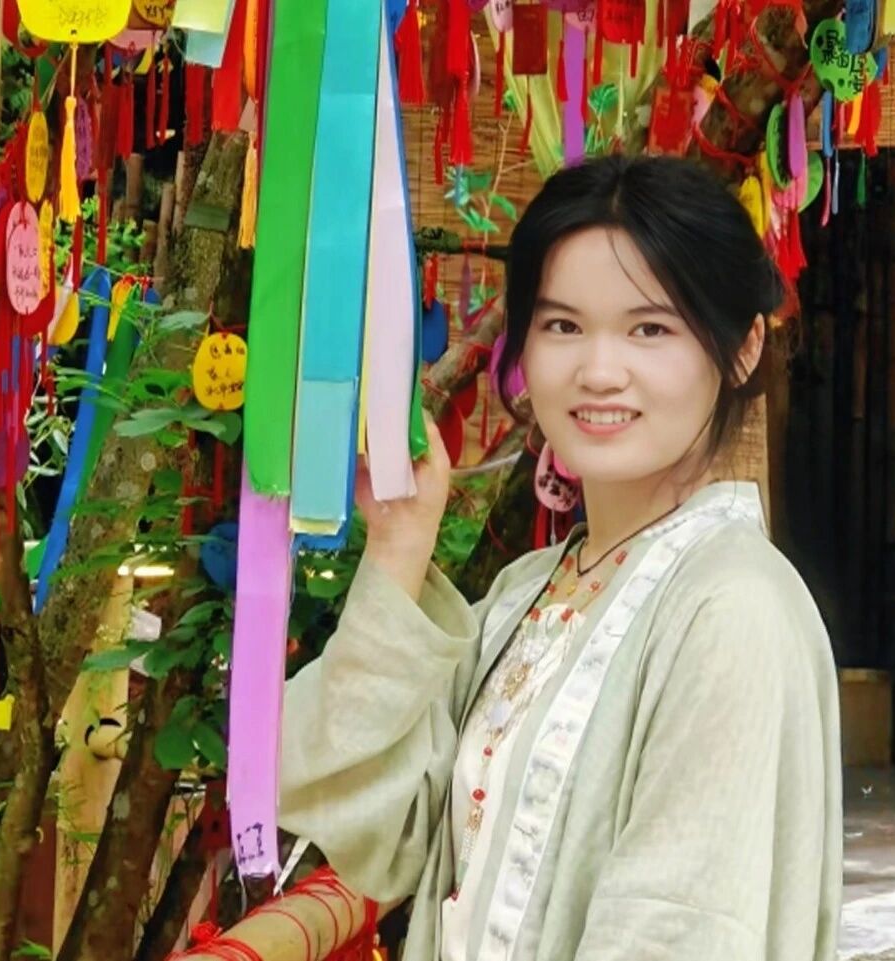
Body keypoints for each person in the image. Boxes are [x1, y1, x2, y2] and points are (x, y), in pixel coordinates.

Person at [279, 155, 843, 961]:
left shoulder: (732, 609)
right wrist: (399, 546)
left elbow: (677, 934)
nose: (598, 372)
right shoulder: (530, 593)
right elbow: (377, 824)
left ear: (742, 348)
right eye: (563, 326)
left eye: (651, 328)